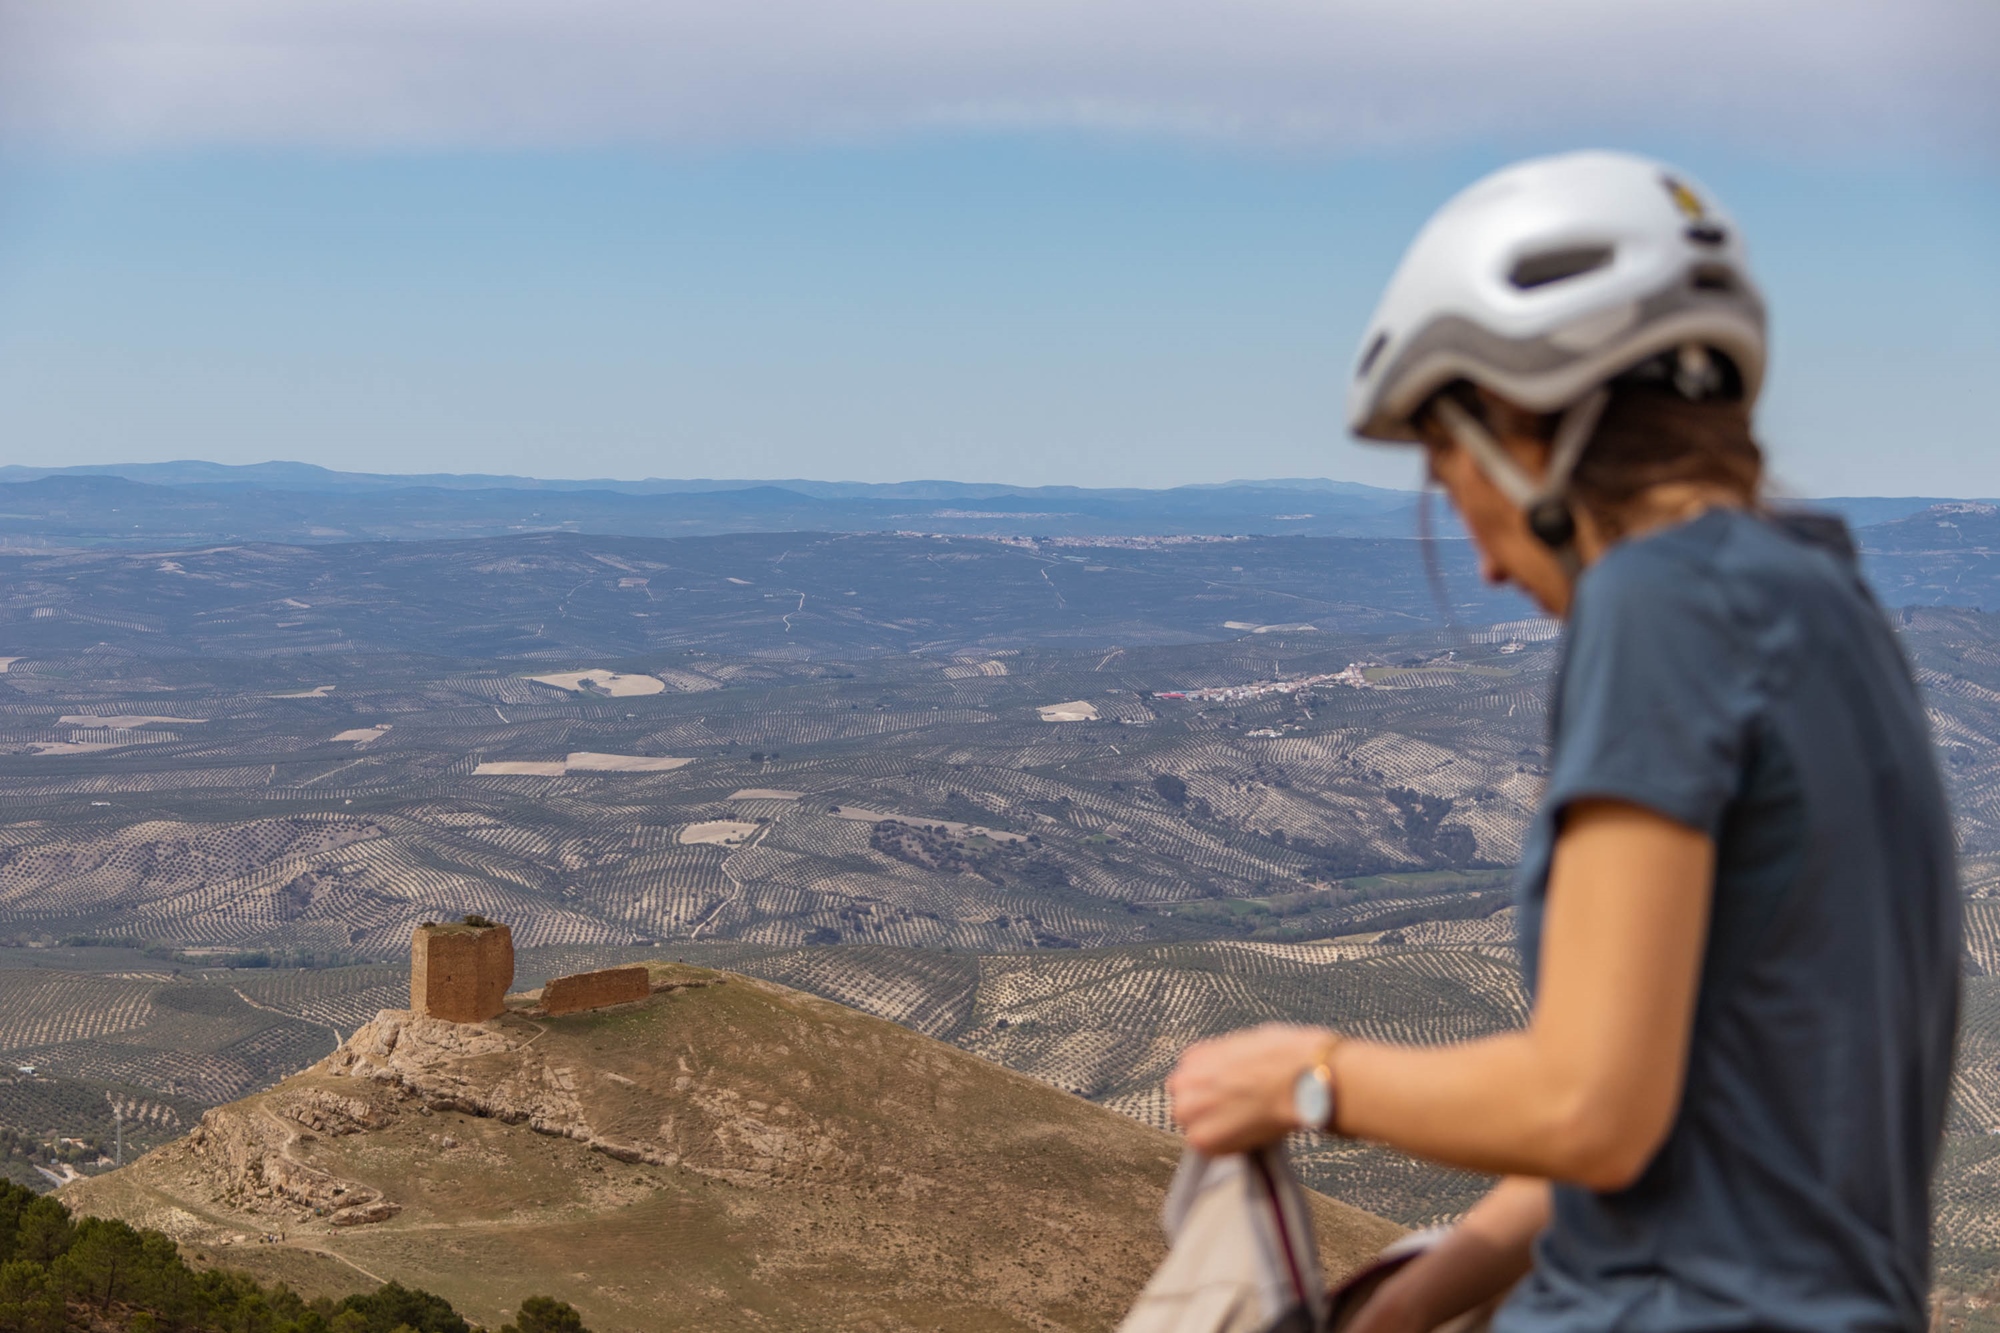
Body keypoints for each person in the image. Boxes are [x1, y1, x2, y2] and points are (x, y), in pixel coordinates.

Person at [1166, 151, 1963, 1332]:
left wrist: (1296, 1073)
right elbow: (1651, 1117)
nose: (1481, 559)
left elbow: (1589, 1104)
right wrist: (1381, 1313)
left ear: (1513, 421)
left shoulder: (1660, 603)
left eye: (1447, 476)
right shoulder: (1823, 607)